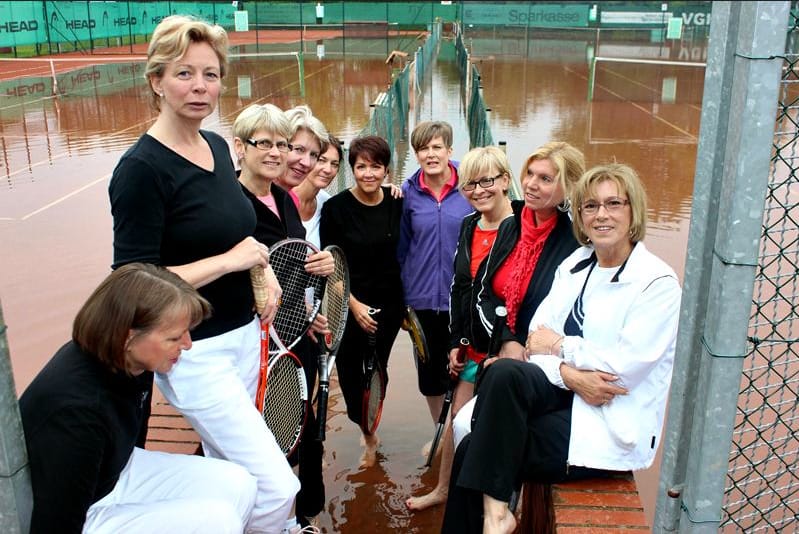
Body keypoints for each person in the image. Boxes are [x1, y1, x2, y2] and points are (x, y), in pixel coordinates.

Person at [108, 16, 299, 534]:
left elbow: (235, 232)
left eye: (211, 75)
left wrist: (261, 266)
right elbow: (131, 281)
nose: (200, 87)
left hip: (245, 335)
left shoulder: (215, 147)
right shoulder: (141, 171)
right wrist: (229, 262)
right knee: (280, 486)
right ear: (156, 81)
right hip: (195, 352)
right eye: (184, 74)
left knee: (228, 469)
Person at [442, 163, 682, 533]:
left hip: (606, 421)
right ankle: (496, 518)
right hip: (561, 392)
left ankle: (495, 519)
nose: (601, 215)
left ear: (634, 213)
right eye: (590, 206)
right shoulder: (576, 264)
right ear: (581, 216)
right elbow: (536, 343)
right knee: (503, 371)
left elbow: (619, 370)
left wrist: (561, 346)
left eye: (614, 203)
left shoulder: (657, 283)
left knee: (476, 447)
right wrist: (570, 374)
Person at [19, 263, 258, 534]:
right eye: (174, 337)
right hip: (74, 514)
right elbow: (55, 522)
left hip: (112, 472)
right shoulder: (77, 413)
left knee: (240, 483)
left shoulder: (132, 360)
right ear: (128, 337)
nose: (188, 344)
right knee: (218, 522)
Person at [232, 102, 334, 530]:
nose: (299, 160)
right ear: (244, 148)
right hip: (252, 342)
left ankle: (299, 515)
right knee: (249, 439)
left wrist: (307, 313)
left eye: (310, 154)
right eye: (289, 147)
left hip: (294, 333)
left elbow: (290, 270)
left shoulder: (283, 201)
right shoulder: (231, 202)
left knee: (297, 424)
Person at [406, 146, 512, 511]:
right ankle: (444, 489)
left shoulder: (520, 228)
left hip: (505, 350)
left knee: (499, 426)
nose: (479, 190)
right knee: (457, 417)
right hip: (471, 346)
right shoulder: (470, 224)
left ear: (505, 181)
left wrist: (505, 349)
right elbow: (462, 287)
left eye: (488, 181)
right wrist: (457, 340)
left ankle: (498, 505)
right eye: (471, 184)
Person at [319, 135, 404, 467]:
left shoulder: (397, 201)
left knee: (378, 372)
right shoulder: (336, 209)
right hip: (349, 304)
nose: (369, 174)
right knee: (351, 376)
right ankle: (364, 425)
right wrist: (353, 306)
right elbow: (333, 267)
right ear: (352, 168)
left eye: (376, 167)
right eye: (361, 166)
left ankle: (370, 431)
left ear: (386, 169)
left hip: (389, 305)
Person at [397, 121, 473, 442]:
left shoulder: (470, 186)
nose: (431, 154)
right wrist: (402, 301)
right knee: (431, 378)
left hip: (463, 301)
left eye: (437, 147)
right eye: (423, 149)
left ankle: (458, 435)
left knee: (465, 371)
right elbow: (401, 249)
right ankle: (440, 435)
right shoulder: (407, 193)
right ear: (416, 154)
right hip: (422, 301)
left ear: (449, 151)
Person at [292, 134, 343, 248]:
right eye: (321, 160)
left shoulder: (326, 202)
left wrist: (382, 190)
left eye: (334, 164)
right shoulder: (280, 199)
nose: (328, 170)